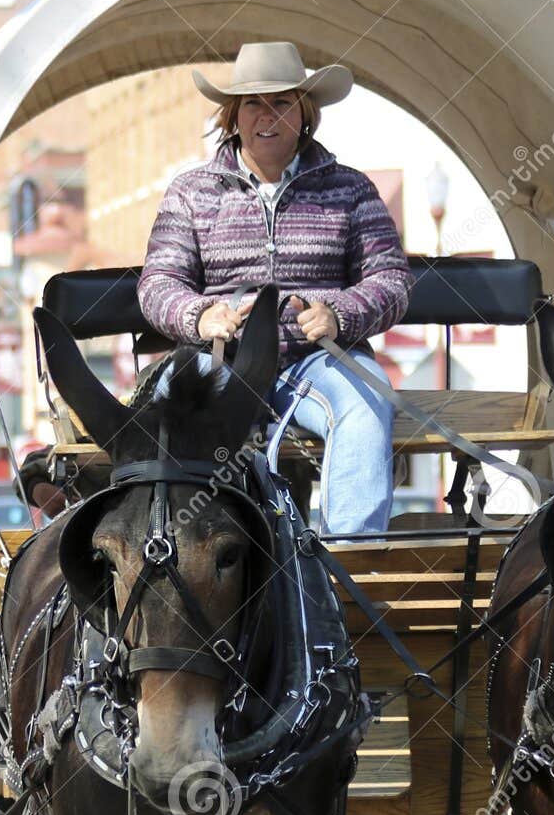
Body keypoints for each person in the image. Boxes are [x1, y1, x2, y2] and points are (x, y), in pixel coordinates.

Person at [138, 42, 412, 535]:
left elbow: (391, 278)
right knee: (169, 402)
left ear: (303, 115)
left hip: (318, 362)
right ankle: (173, 548)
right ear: (233, 116)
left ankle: (346, 563)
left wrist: (338, 313)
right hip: (223, 359)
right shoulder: (191, 192)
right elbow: (158, 283)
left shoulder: (350, 189)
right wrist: (200, 316)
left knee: (369, 401)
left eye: (281, 102)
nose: (267, 116)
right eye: (252, 104)